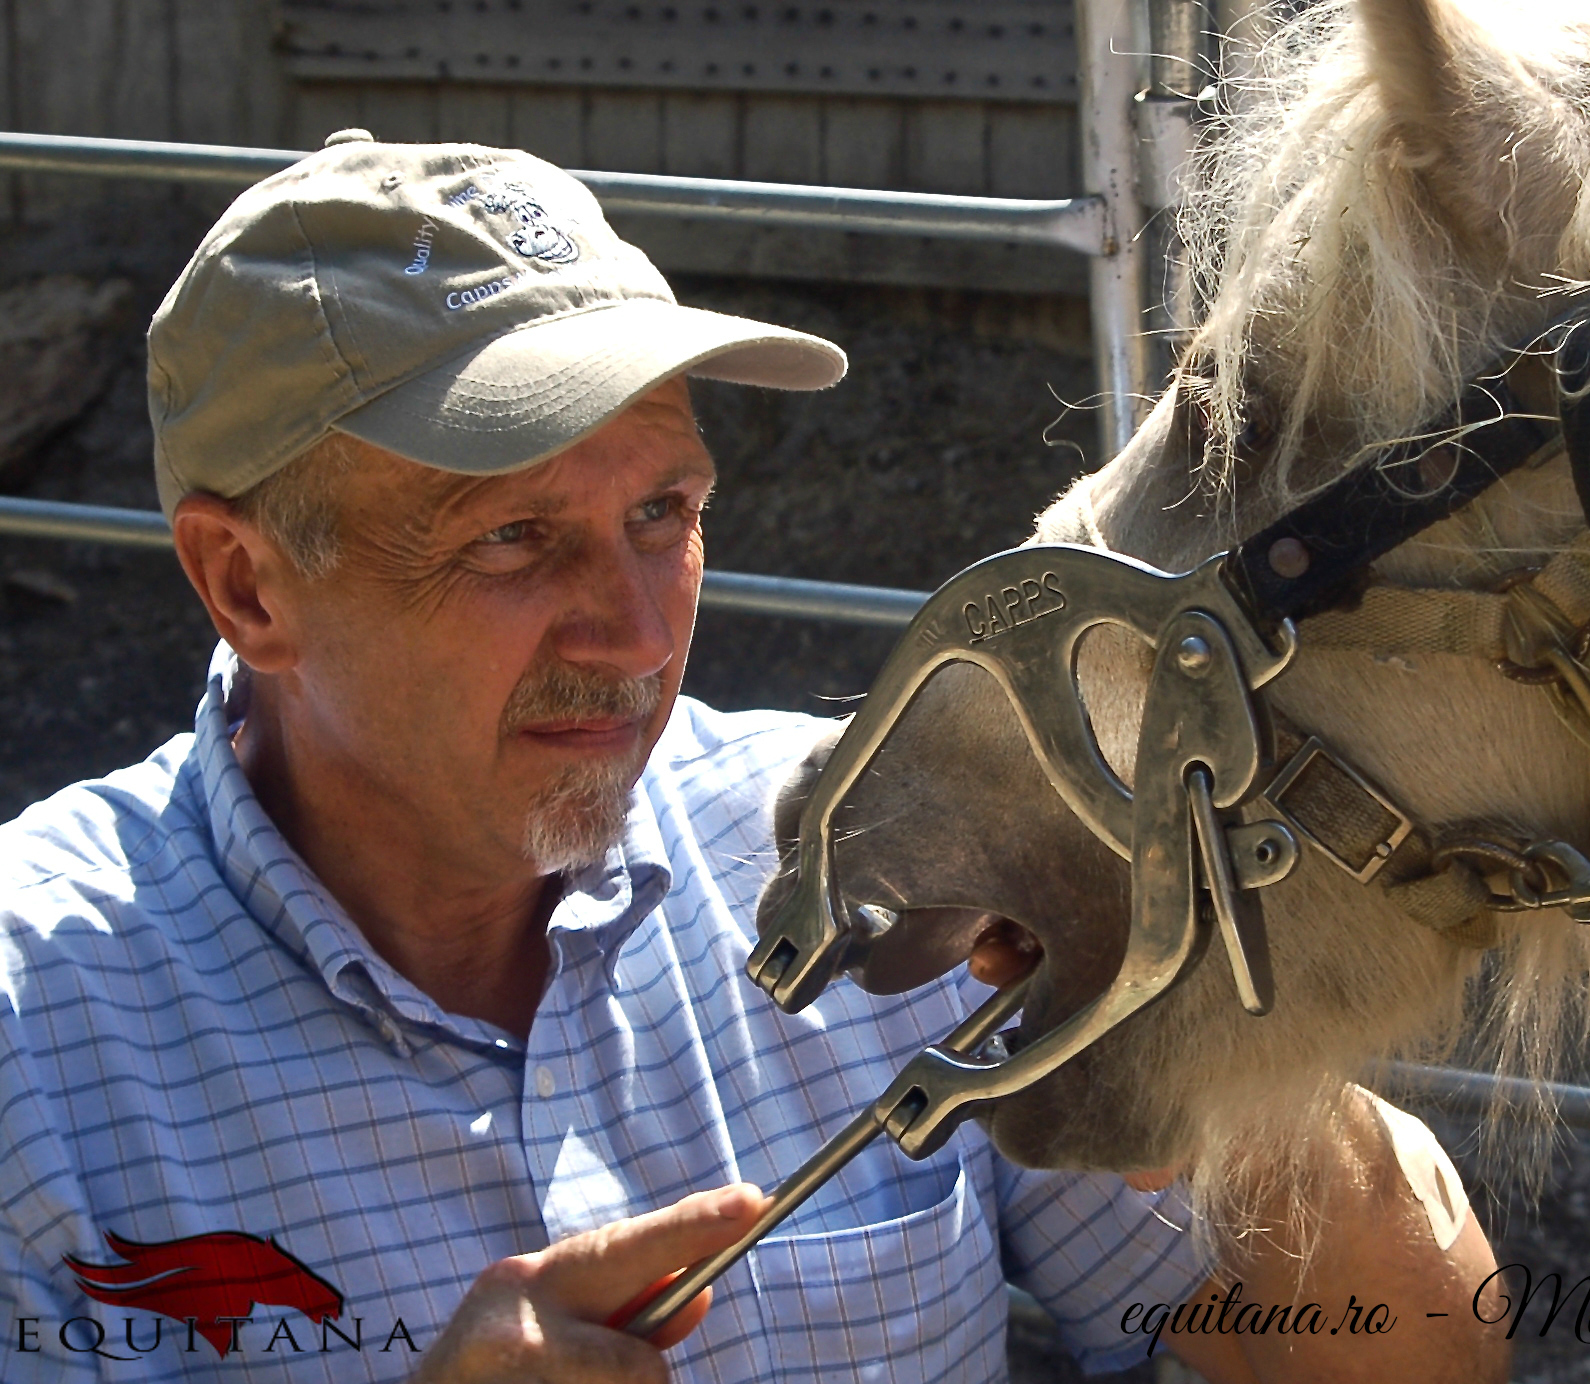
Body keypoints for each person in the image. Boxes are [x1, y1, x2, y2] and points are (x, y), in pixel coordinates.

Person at [0, 131, 1508, 1382]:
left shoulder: (884, 866)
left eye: (663, 514)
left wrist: (1211, 1044)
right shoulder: (37, 1043)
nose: (632, 629)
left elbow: (1422, 1364)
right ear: (248, 585)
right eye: (514, 538)